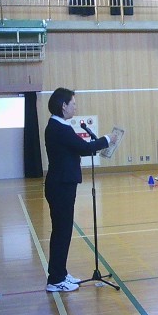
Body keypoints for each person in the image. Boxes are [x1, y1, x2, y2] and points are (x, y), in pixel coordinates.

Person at [44, 88, 114, 292]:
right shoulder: (59, 128)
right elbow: (83, 148)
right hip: (61, 186)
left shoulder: (59, 125)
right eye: (73, 103)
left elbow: (78, 148)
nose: (75, 107)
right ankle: (56, 279)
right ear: (63, 105)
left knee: (63, 231)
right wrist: (107, 139)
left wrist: (97, 143)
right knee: (62, 232)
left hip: (62, 185)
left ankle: (60, 273)